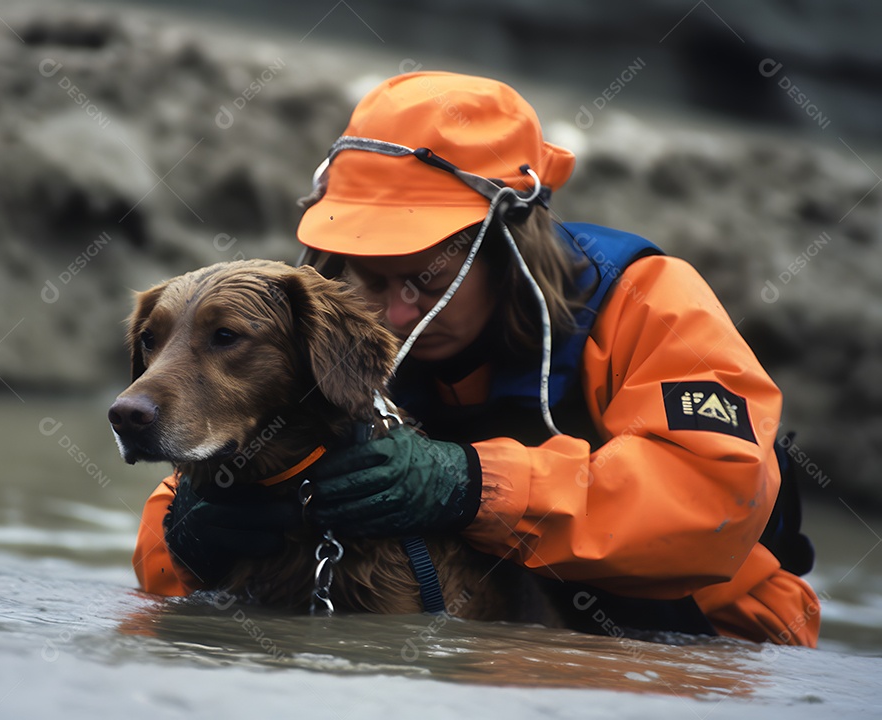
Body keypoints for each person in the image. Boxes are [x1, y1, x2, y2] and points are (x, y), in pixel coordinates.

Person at [133, 71, 820, 646]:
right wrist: (192, 541)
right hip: (481, 622)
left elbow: (711, 505)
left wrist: (468, 485)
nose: (393, 314)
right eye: (367, 277)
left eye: (426, 280)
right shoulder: (323, 325)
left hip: (711, 639)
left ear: (511, 247)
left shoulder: (648, 300)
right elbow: (164, 549)